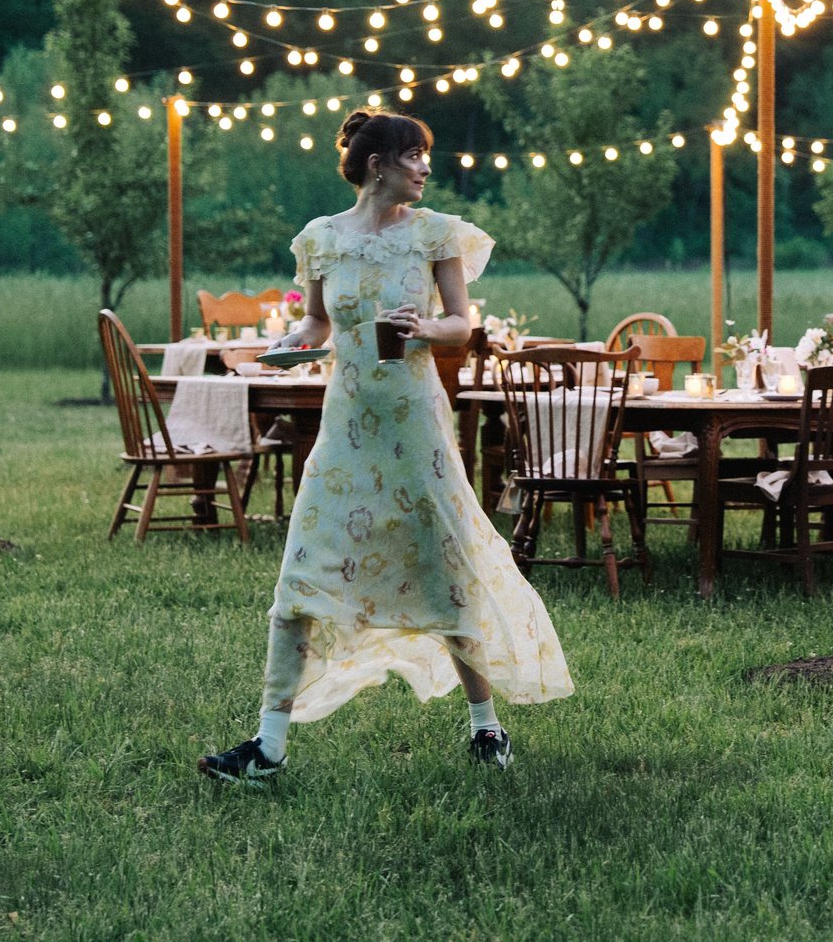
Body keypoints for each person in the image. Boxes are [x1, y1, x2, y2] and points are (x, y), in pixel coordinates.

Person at [199, 109, 572, 783]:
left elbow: (462, 324)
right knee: (301, 576)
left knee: (444, 569)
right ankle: (268, 745)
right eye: (414, 155)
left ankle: (485, 726)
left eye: (426, 155)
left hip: (415, 427)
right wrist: (288, 347)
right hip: (346, 429)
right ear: (378, 165)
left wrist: (426, 327)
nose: (426, 167)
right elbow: (317, 322)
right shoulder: (320, 239)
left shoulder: (436, 234)